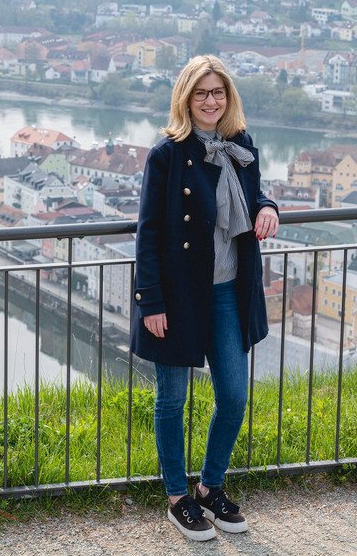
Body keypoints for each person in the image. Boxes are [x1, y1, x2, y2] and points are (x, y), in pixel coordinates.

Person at [130, 54, 279, 541]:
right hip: (177, 296)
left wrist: (270, 206)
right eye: (202, 93)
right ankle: (177, 497)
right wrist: (150, 302)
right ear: (186, 98)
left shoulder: (241, 146)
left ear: (228, 97)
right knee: (171, 400)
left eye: (218, 92)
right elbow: (148, 234)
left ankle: (209, 487)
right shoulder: (166, 155)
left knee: (233, 396)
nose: (211, 101)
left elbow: (254, 196)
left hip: (227, 292)